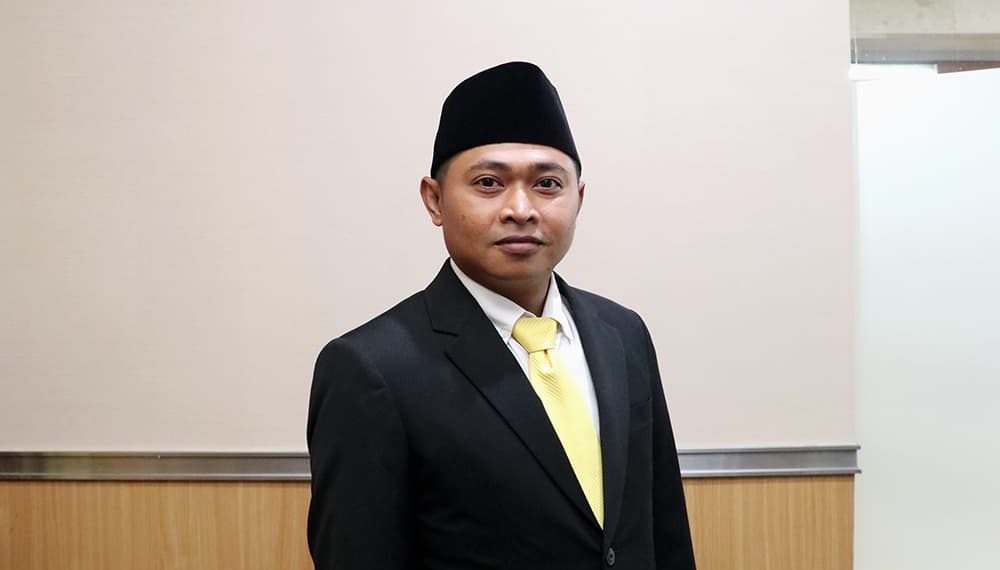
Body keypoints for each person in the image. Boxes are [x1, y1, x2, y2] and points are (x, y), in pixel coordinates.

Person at [307, 61, 696, 570]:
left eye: (548, 184)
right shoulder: (371, 368)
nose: (521, 209)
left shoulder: (622, 334)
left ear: (579, 199)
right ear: (434, 200)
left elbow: (664, 530)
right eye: (489, 183)